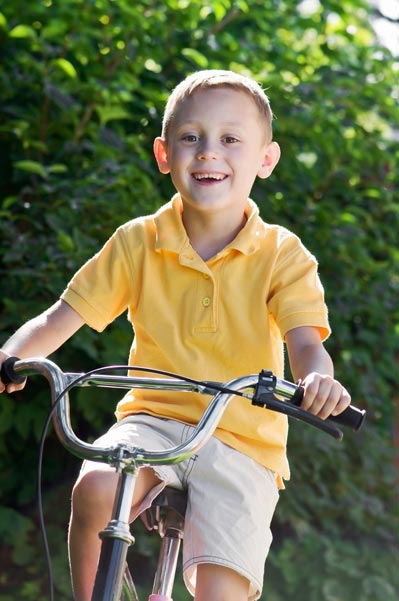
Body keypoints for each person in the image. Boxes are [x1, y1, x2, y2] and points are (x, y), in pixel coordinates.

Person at [0, 70, 350, 601]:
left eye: (231, 139)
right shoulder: (139, 242)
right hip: (152, 420)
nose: (209, 153)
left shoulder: (282, 254)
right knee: (96, 487)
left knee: (221, 588)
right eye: (192, 137)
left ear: (266, 159)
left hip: (241, 440)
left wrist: (318, 381)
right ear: (165, 154)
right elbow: (59, 318)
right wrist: (11, 356)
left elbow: (305, 343)